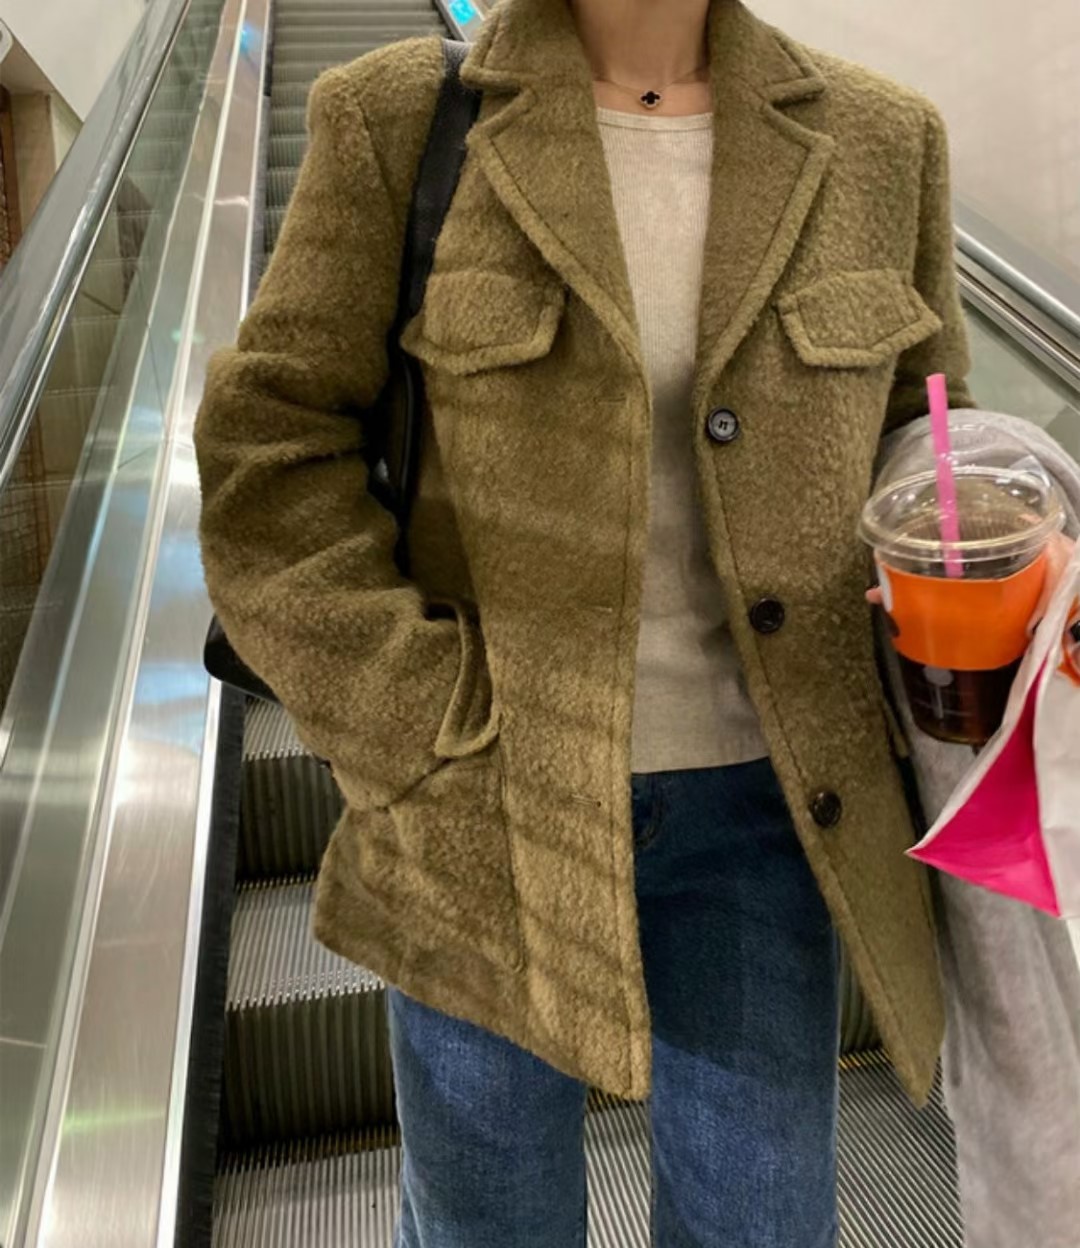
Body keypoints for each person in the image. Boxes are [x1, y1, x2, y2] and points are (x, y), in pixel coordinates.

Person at [193, 0, 1012, 1243]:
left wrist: (998, 526)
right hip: (483, 804)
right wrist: (415, 718)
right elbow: (271, 450)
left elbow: (926, 434)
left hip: (773, 810)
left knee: (761, 1222)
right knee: (489, 1225)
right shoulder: (401, 120)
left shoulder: (880, 141)